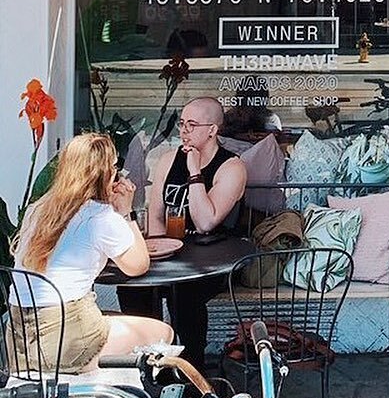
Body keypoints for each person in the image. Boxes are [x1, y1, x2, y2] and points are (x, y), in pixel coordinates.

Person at [8, 133, 172, 373]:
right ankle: (122, 392)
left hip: (19, 342)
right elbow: (138, 266)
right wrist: (126, 213)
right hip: (64, 344)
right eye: (114, 168)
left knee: (112, 316)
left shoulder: (38, 209)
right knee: (162, 332)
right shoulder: (99, 217)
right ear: (104, 174)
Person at [119, 96, 246, 370]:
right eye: (182, 123)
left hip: (215, 261)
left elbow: (205, 222)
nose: (184, 130)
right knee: (133, 287)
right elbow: (156, 213)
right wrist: (157, 254)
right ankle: (150, 361)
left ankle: (191, 369)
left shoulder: (231, 167)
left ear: (212, 130)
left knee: (185, 293)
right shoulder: (168, 160)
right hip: (172, 255)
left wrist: (194, 171)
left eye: (192, 124)